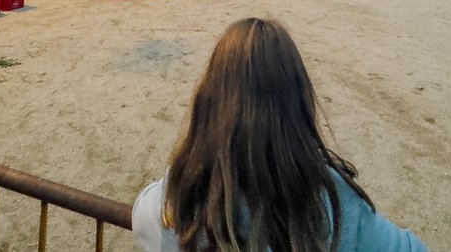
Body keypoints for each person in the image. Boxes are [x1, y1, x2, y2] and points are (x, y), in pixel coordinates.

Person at [132, 18, 428, 252]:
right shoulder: (329, 202)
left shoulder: (167, 207)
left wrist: (180, 184)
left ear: (207, 100)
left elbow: (144, 208)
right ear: (300, 102)